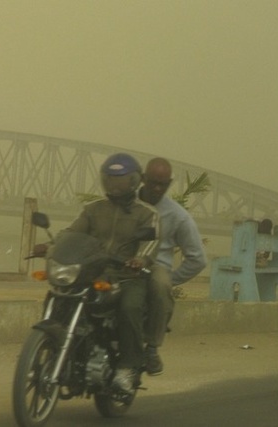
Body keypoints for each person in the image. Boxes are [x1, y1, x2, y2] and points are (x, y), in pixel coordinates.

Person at [64, 153, 160, 394]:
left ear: (134, 181)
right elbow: (72, 233)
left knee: (130, 307)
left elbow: (152, 242)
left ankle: (127, 368)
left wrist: (139, 260)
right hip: (93, 273)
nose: (115, 185)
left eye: (121, 180)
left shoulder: (146, 213)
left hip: (127, 276)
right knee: (63, 293)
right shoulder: (93, 210)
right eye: (111, 180)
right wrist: (53, 245)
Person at [139, 157, 207, 376]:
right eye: (152, 183)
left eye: (163, 184)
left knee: (160, 285)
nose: (157, 188)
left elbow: (198, 259)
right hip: (121, 263)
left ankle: (151, 348)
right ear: (142, 179)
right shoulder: (126, 202)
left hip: (154, 268)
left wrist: (172, 279)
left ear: (169, 184)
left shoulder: (178, 216)